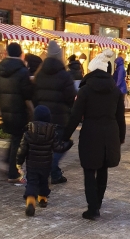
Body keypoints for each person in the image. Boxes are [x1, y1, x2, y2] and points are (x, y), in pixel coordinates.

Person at [61, 52, 126, 220]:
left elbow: (75, 116)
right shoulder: (116, 91)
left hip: (91, 133)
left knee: (89, 171)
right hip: (110, 133)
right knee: (103, 170)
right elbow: (120, 117)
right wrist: (121, 137)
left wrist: (65, 135)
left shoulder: (86, 90)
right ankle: (98, 203)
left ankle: (92, 208)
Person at [16, 105, 73, 217]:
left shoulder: (28, 131)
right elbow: (58, 148)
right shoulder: (52, 132)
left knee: (32, 182)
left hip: (32, 164)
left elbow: (22, 149)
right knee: (43, 181)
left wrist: (19, 162)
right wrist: (68, 144)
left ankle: (31, 202)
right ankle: (42, 199)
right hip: (46, 164)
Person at [33, 40, 77, 184]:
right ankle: (51, 169)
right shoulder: (64, 75)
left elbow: (34, 96)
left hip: (42, 118)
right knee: (60, 146)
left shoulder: (39, 74)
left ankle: (55, 173)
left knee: (46, 147)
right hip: (59, 117)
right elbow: (71, 96)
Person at [0, 43, 35, 183]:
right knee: (18, 140)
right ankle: (13, 173)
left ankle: (6, 163)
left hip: (6, 109)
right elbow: (27, 93)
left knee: (14, 137)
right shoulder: (22, 70)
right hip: (19, 110)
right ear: (21, 54)